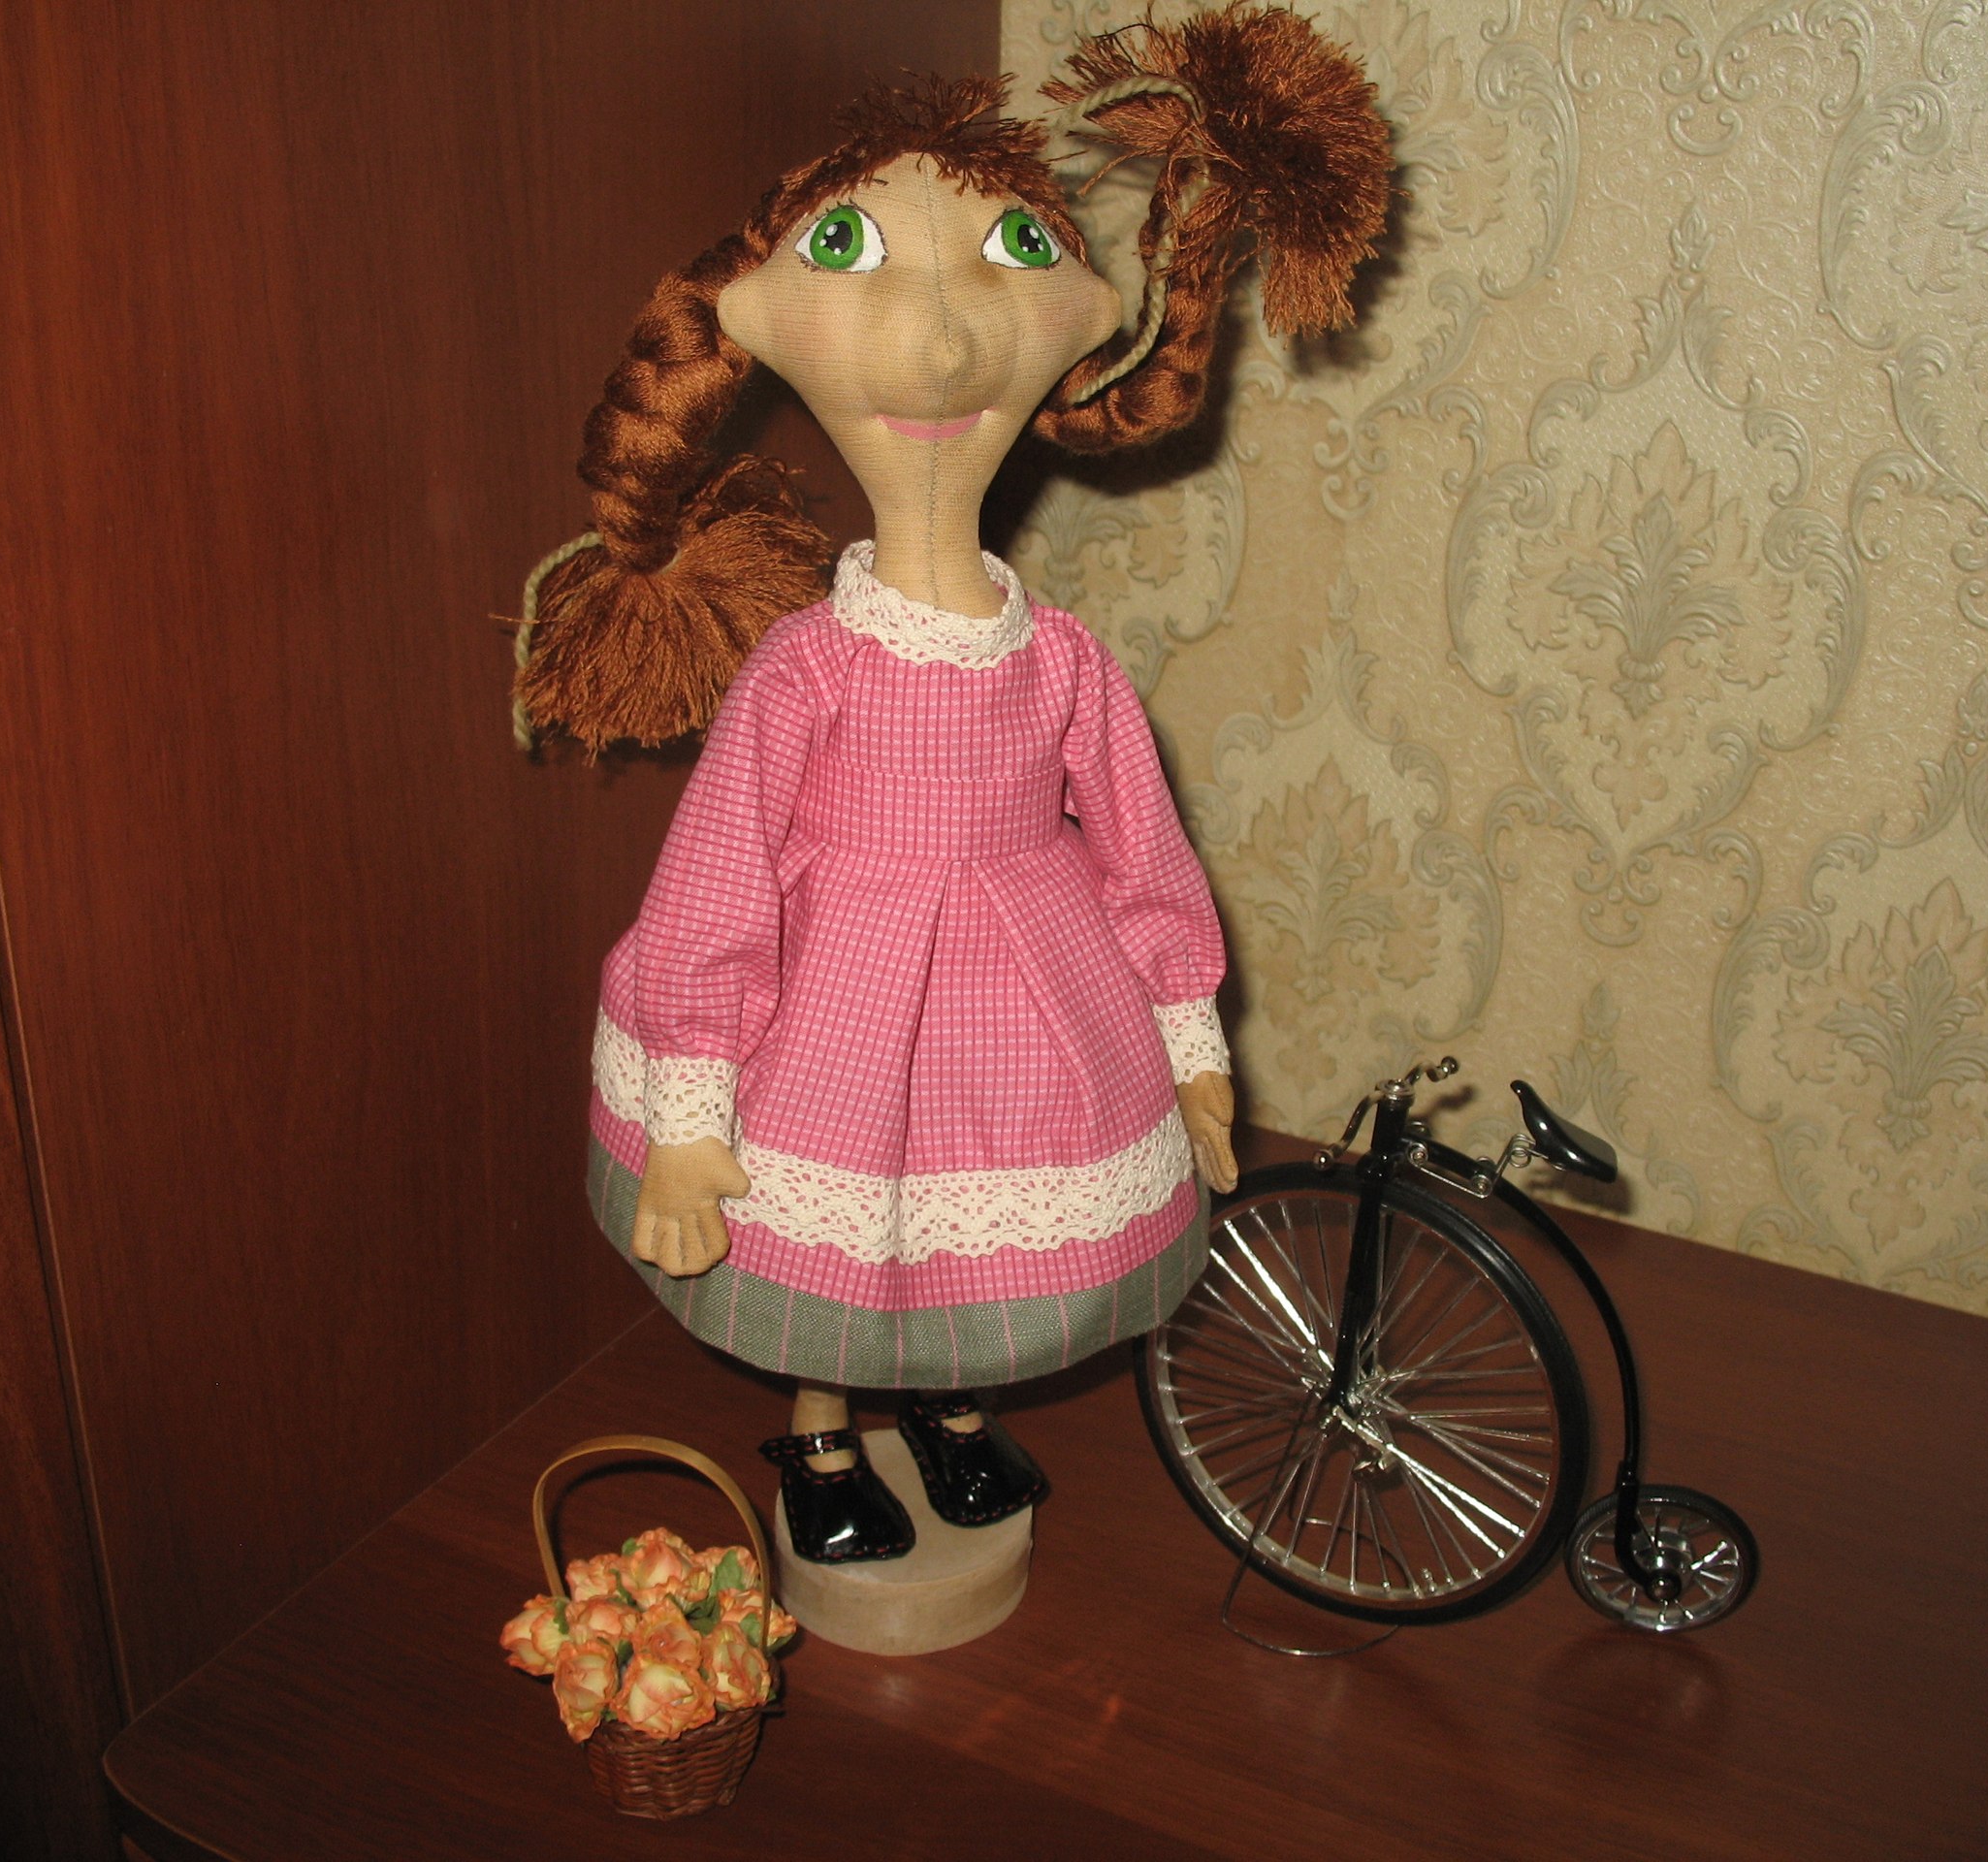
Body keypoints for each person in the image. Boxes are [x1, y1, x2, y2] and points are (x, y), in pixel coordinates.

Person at [515, 8, 1391, 1563]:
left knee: (966, 1234)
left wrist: (1188, 1041)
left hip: (1033, 991)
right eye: (855, 254)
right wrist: (696, 1111)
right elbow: (717, 879)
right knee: (843, 1241)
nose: (936, 343)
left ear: (1079, 321)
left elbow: (1142, 856)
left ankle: (951, 1412)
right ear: (763, 322)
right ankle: (821, 1435)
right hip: (833, 997)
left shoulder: (1060, 662)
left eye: (1007, 253)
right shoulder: (808, 670)